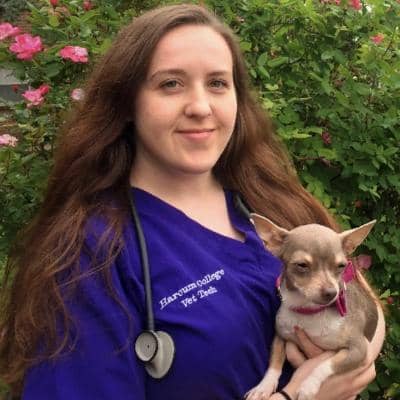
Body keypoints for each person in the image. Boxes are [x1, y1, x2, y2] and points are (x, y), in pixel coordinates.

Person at [0, 3, 384, 400]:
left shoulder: (268, 195)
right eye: (171, 84)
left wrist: (352, 362)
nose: (200, 107)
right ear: (127, 102)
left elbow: (357, 293)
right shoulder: (93, 254)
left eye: (217, 83)